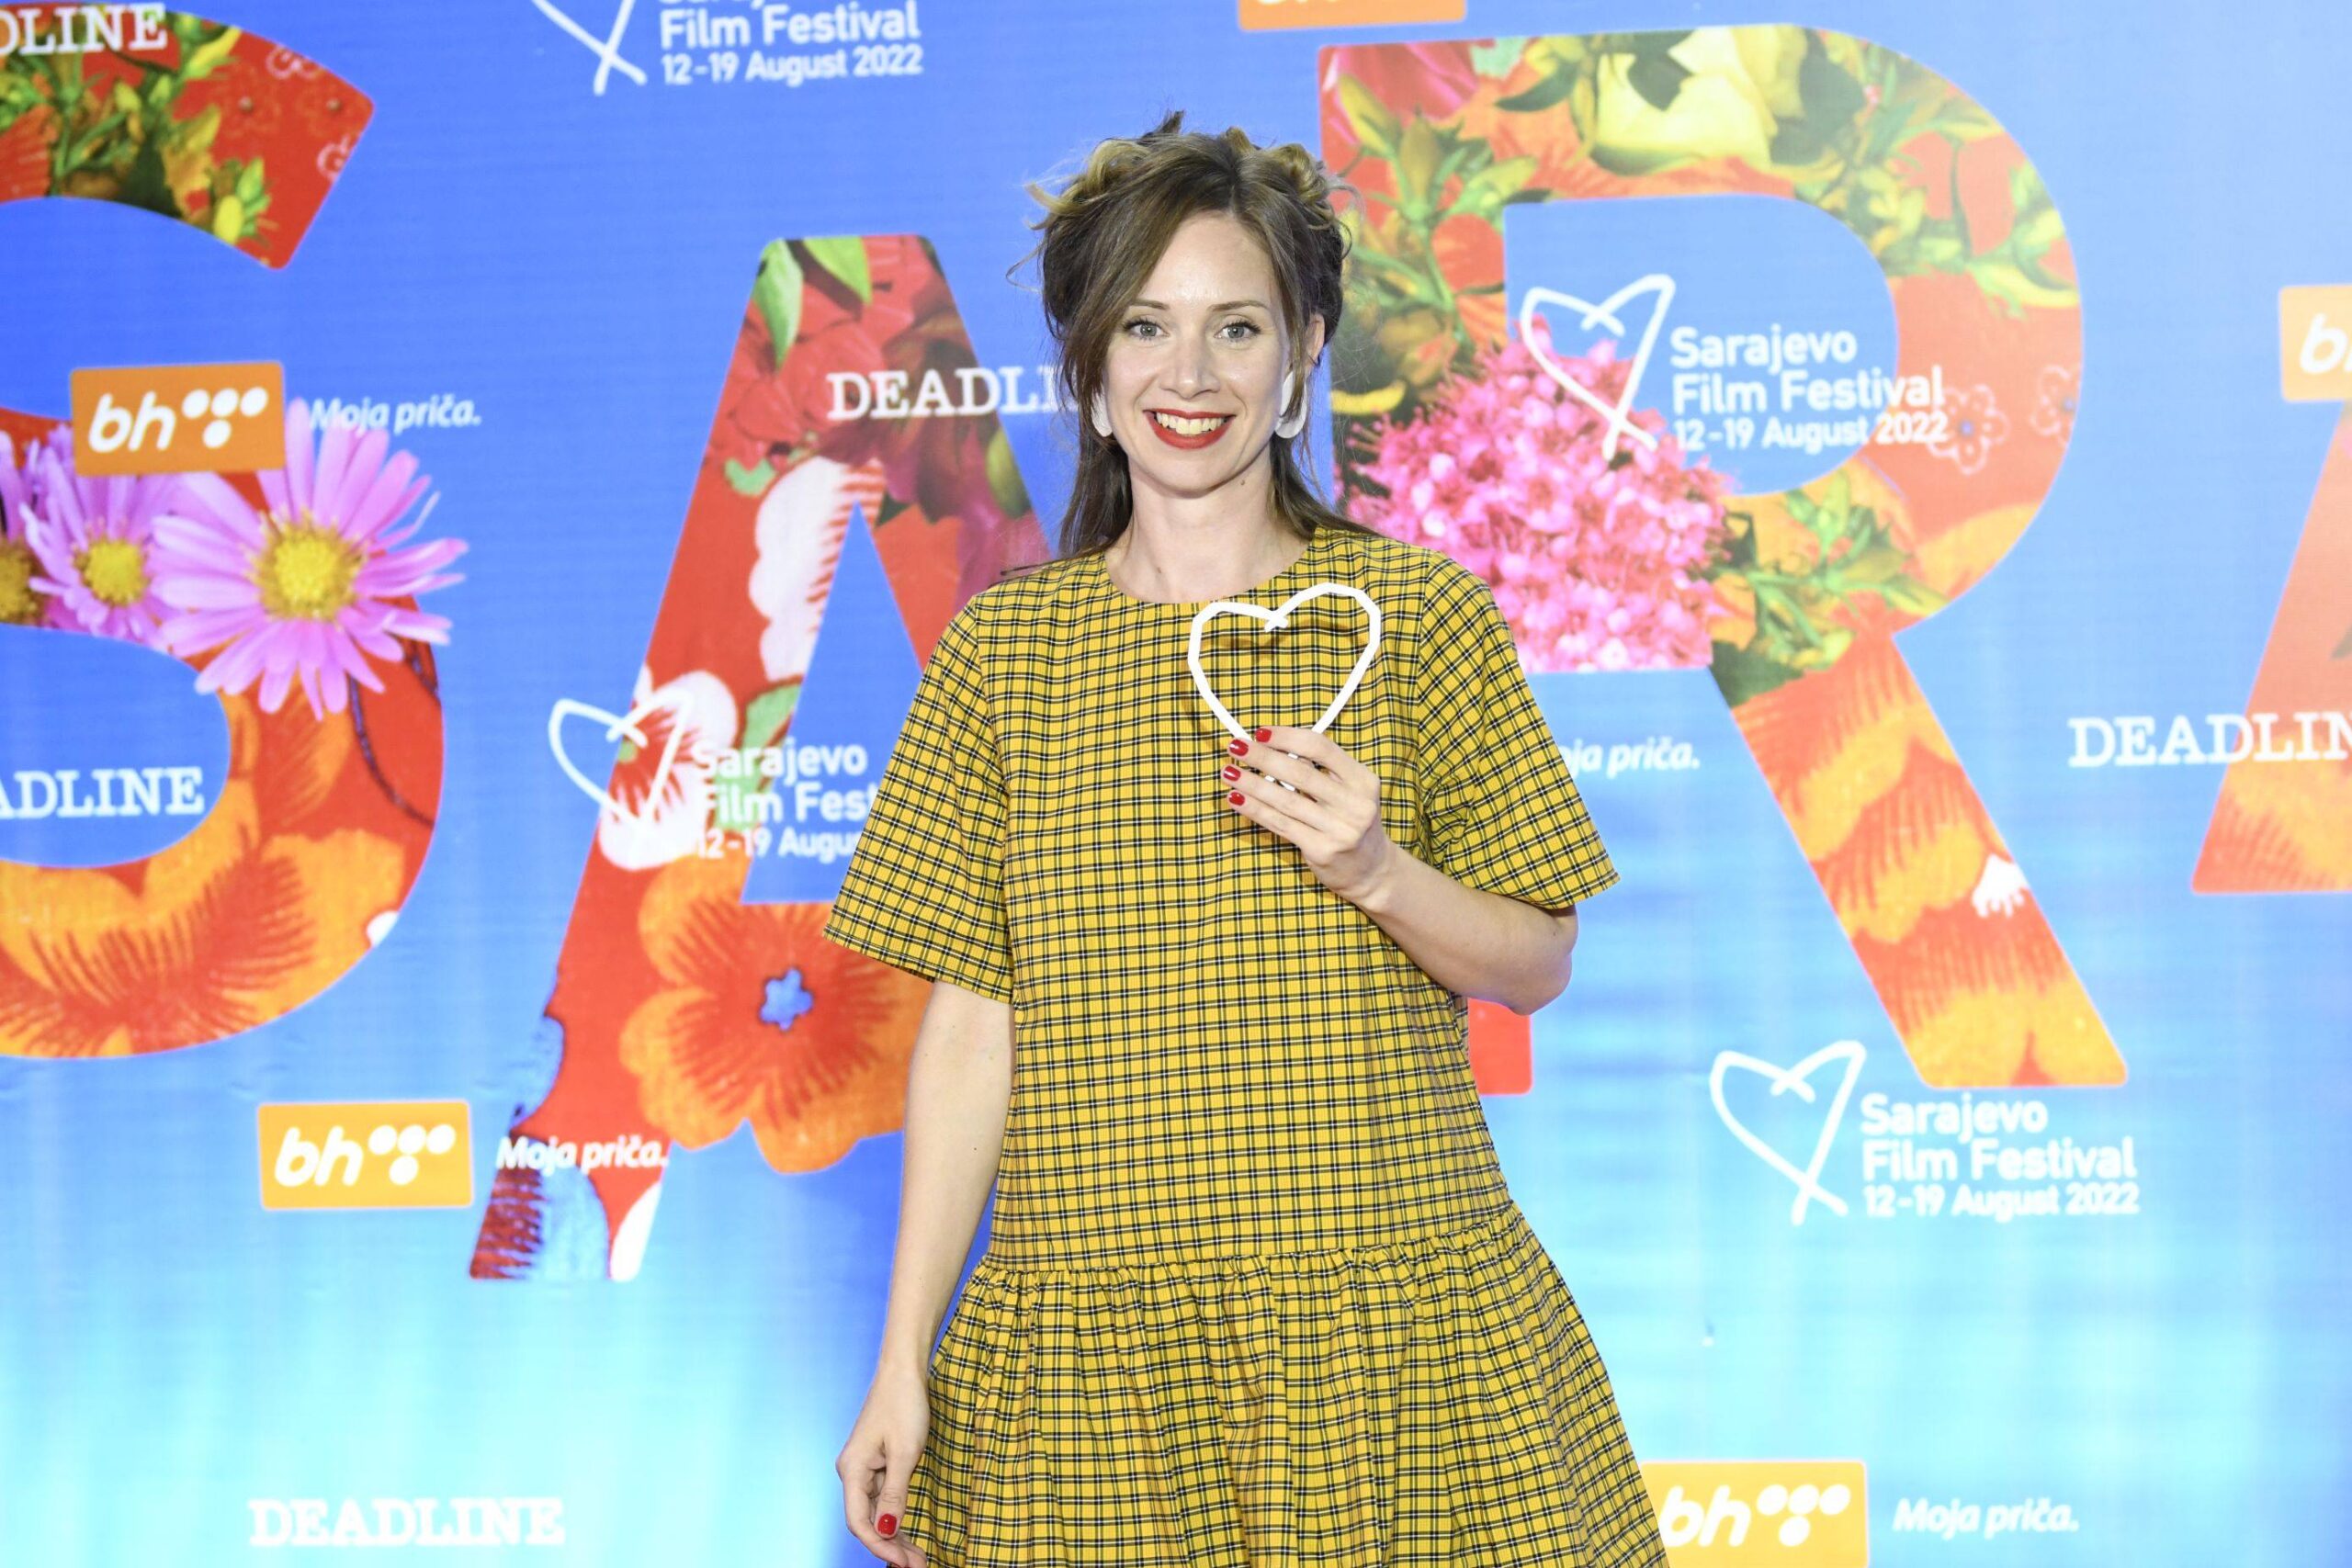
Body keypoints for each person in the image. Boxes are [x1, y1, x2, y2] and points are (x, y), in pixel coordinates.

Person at [825, 111, 1667, 1568]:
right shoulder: (1008, 653)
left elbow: (1537, 963)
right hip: (1094, 1356)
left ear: (1302, 354)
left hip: (1389, 1340)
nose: (1190, 375)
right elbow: (972, 1029)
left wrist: (1376, 870)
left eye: (1237, 327)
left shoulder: (1421, 620)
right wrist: (903, 1356)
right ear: (1090, 368)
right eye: (1144, 326)